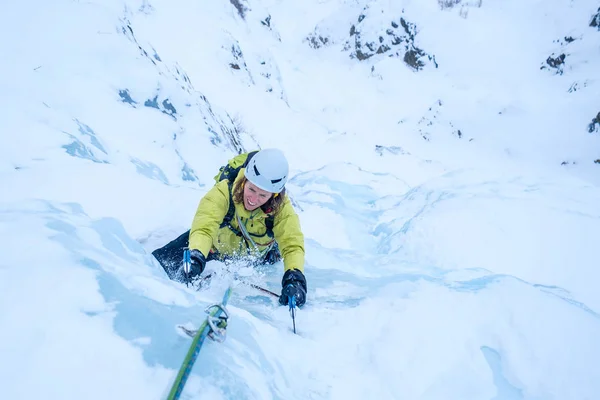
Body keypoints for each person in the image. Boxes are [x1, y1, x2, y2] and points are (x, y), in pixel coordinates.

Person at [152, 148, 307, 307]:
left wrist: (294, 277)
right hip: (212, 248)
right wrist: (196, 255)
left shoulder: (281, 209)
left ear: (274, 195)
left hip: (258, 257)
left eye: (262, 195)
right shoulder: (223, 192)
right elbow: (204, 227)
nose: (253, 199)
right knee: (155, 267)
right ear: (245, 180)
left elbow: (291, 244)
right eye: (251, 189)